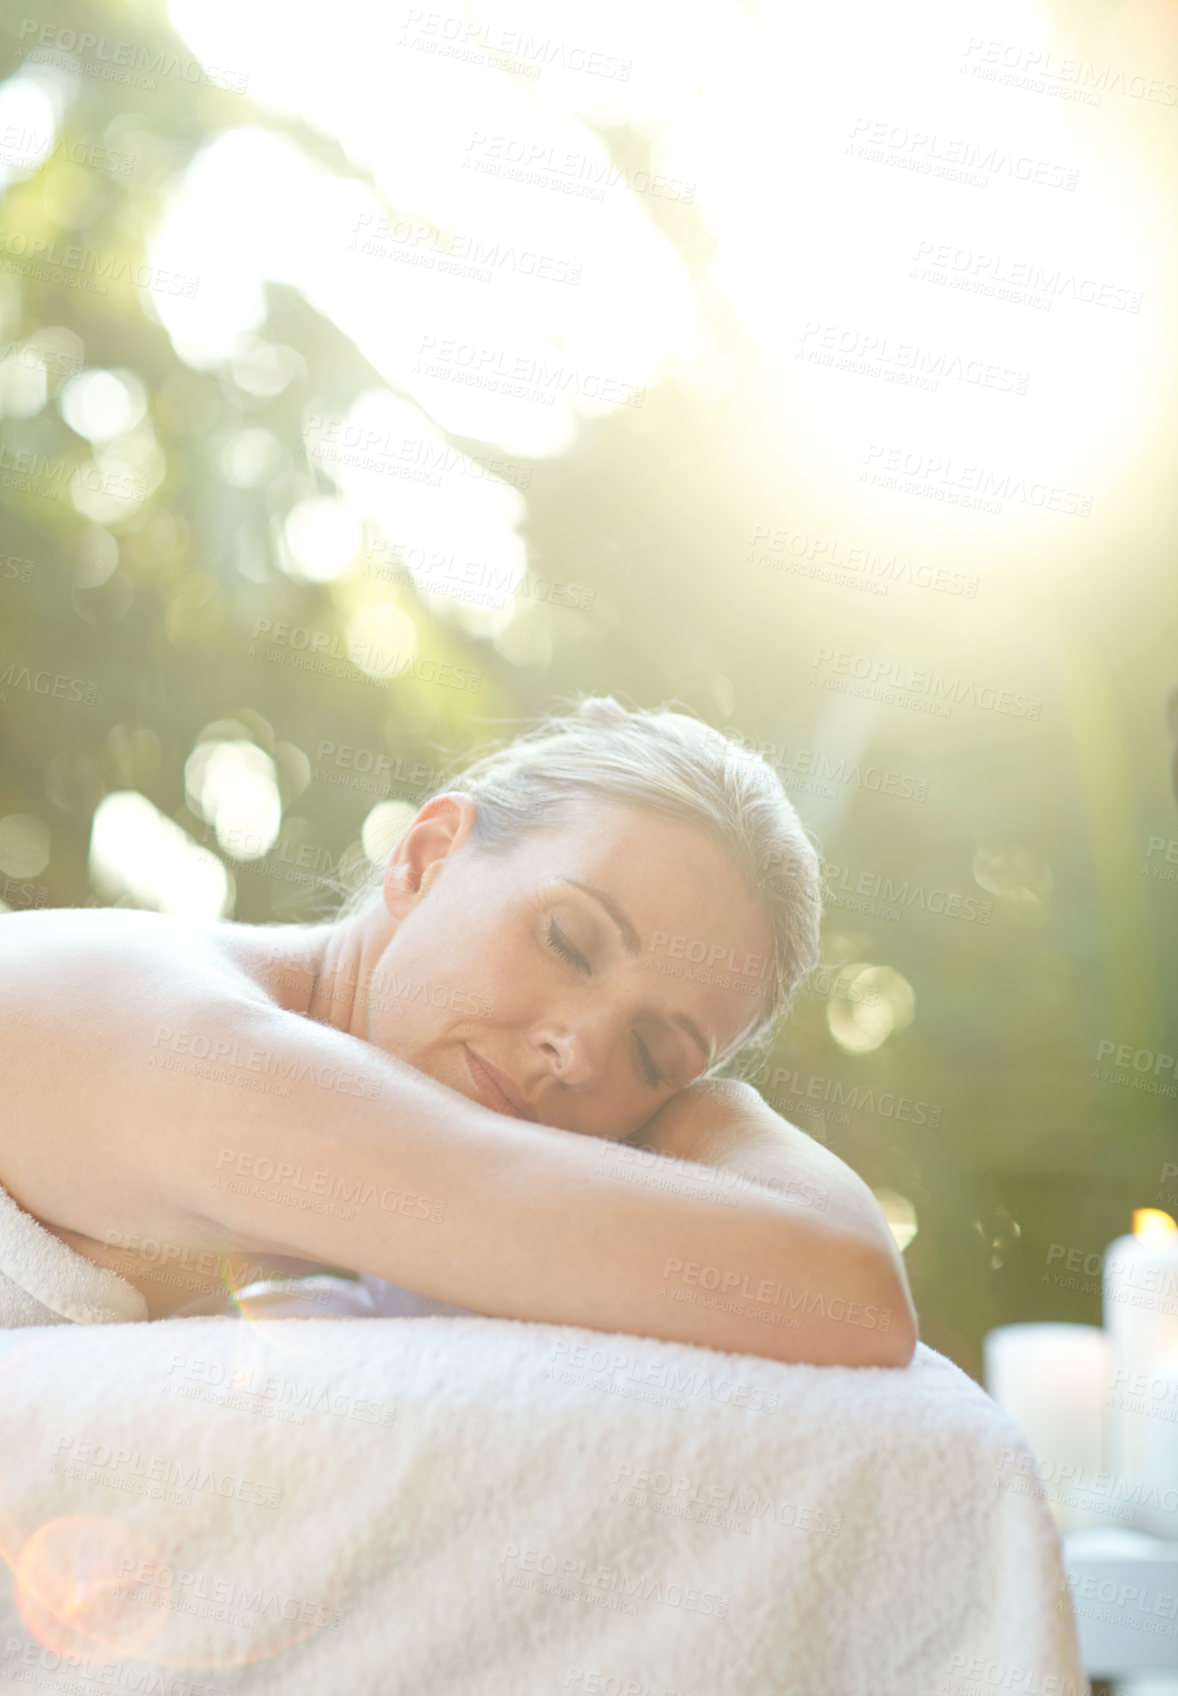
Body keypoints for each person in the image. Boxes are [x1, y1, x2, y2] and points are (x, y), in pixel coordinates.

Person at [0, 695, 917, 1364]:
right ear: (427, 856)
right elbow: (846, 1288)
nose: (582, 1049)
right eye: (568, 940)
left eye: (653, 1054)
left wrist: (706, 1104)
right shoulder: (162, 1024)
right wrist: (710, 1122)